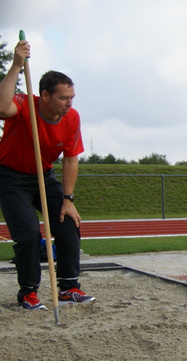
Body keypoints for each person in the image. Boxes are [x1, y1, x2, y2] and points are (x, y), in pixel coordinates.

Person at [0, 39, 94, 310]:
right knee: (29, 233)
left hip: (44, 174)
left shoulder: (72, 118)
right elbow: (1, 108)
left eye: (72, 97)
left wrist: (68, 198)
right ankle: (28, 292)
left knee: (69, 223)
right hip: (10, 177)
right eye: (64, 98)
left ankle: (68, 287)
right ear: (45, 95)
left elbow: (71, 159)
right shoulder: (24, 104)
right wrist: (17, 65)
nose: (69, 103)